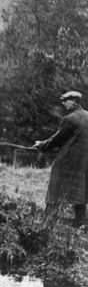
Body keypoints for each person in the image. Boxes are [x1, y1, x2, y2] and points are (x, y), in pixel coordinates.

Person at [33, 91, 88, 227]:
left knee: (54, 191)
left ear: (75, 101)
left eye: (66, 100)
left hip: (66, 162)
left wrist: (41, 145)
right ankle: (81, 224)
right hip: (84, 163)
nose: (63, 103)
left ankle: (47, 224)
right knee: (80, 193)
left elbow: (57, 139)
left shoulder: (70, 119)